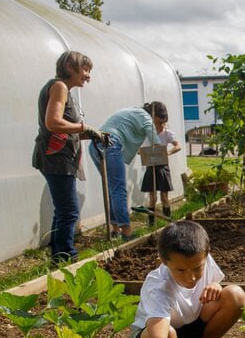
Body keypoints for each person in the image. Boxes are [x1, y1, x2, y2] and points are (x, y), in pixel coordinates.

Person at [32, 51, 105, 264]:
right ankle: (67, 256)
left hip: (59, 157)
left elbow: (64, 129)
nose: (88, 75)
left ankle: (58, 254)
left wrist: (90, 134)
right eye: (85, 70)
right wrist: (85, 127)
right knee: (69, 211)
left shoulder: (62, 89)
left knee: (63, 209)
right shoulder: (59, 87)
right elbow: (53, 123)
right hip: (56, 158)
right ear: (70, 67)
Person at [89, 102, 166, 239]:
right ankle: (127, 233)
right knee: (119, 190)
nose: (159, 126)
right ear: (154, 115)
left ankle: (115, 230)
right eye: (159, 122)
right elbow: (156, 142)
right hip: (111, 143)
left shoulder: (133, 111)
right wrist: (160, 158)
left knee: (112, 189)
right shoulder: (146, 117)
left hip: (96, 144)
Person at [141, 114, 182, 227]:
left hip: (163, 167)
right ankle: (151, 224)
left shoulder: (167, 133)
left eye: (160, 123)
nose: (158, 125)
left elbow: (178, 146)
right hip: (151, 167)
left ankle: (168, 222)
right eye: (156, 122)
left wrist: (167, 153)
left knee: (164, 197)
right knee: (152, 198)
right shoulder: (148, 133)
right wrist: (144, 154)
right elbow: (139, 149)